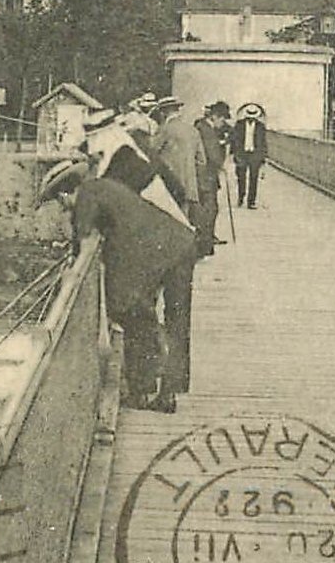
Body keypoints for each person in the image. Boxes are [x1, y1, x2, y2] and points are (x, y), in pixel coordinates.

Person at [38, 159, 197, 412]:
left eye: (60, 202)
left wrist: (70, 275)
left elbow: (86, 244)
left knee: (129, 311)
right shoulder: (101, 186)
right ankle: (167, 391)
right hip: (179, 243)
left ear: (66, 193)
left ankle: (142, 389)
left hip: (159, 251)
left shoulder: (86, 198)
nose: (64, 208)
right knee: (176, 320)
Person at [149, 95, 204, 394]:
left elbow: (151, 156)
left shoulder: (165, 132)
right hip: (188, 193)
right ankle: (179, 380)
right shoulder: (193, 131)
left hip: (167, 192)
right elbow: (202, 161)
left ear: (163, 113)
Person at [193, 102, 231, 256]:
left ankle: (206, 241)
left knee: (208, 209)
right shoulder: (207, 130)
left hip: (205, 176)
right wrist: (223, 166)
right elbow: (212, 155)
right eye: (222, 120)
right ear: (214, 117)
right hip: (206, 177)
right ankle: (205, 245)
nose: (222, 124)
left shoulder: (203, 127)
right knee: (209, 209)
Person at [230, 103, 269, 209]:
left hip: (254, 155)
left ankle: (251, 201)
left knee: (254, 178)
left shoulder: (261, 127)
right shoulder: (239, 125)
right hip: (242, 154)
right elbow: (234, 139)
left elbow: (263, 142)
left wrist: (264, 157)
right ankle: (241, 197)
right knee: (241, 177)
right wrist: (234, 154)